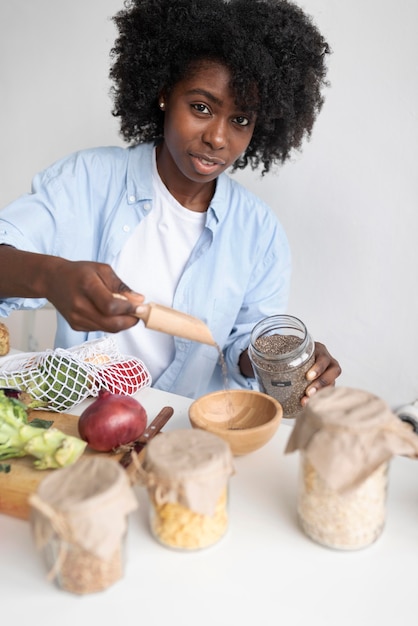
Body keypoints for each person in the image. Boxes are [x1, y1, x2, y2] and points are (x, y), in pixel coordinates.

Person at [0, 0, 341, 400]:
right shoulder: (87, 180)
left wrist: (282, 358)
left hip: (187, 436)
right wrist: (51, 276)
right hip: (81, 421)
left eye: (240, 120)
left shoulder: (259, 232)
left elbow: (240, 347)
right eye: (200, 107)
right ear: (163, 94)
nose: (217, 137)